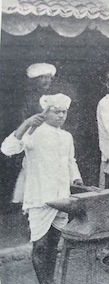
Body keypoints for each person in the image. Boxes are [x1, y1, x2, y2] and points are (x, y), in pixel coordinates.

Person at [1, 93, 83, 284]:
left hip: (61, 197)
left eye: (64, 112)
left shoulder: (66, 137)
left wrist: (77, 179)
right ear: (45, 113)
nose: (61, 116)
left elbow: (70, 162)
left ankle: (50, 282)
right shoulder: (33, 133)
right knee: (40, 246)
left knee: (55, 245)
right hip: (39, 198)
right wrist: (27, 123)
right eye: (57, 112)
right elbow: (7, 148)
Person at [11, 63, 58, 204]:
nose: (46, 81)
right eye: (42, 77)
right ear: (35, 80)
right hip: (34, 140)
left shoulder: (54, 98)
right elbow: (23, 120)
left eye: (48, 77)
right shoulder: (28, 98)